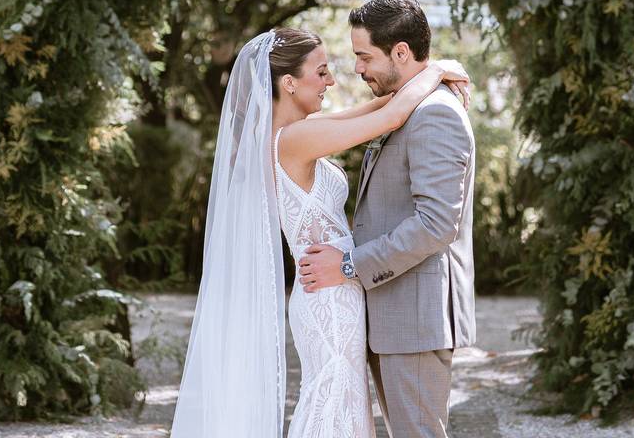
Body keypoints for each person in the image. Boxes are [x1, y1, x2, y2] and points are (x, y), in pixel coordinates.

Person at [170, 23, 469, 437]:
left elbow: (376, 107)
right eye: (322, 70)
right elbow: (392, 115)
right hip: (328, 296)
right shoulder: (294, 139)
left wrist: (427, 73)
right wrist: (437, 72)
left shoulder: (285, 135)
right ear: (289, 82)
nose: (331, 79)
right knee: (332, 401)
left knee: (336, 399)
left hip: (328, 290)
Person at [298, 0, 477, 438]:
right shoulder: (406, 106)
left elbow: (435, 224)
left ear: (400, 51)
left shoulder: (435, 114)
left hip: (415, 319)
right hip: (394, 315)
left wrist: (346, 266)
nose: (357, 68)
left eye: (364, 56)